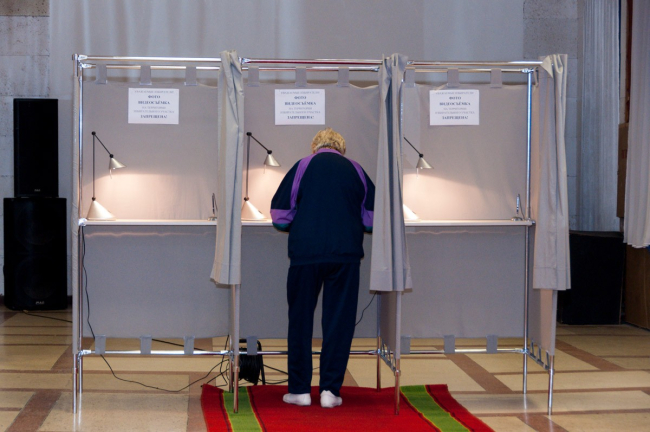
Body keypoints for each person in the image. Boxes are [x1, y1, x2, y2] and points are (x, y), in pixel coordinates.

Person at [270, 127, 375, 408]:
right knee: (339, 322)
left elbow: (279, 217)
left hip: (306, 254)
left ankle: (300, 390)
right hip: (345, 255)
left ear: (315, 146)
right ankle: (330, 391)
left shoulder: (302, 166)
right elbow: (372, 220)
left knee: (300, 320)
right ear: (341, 148)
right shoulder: (356, 169)